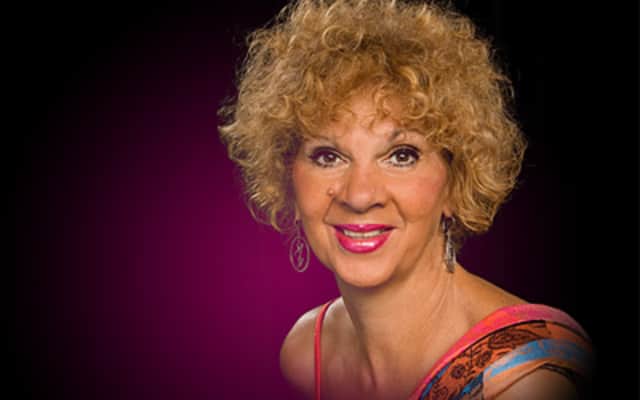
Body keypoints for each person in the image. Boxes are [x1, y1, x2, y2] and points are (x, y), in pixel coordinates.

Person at [218, 0, 594, 398]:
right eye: (328, 156)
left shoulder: (527, 382)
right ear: (288, 179)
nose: (360, 195)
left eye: (402, 156)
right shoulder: (305, 356)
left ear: (456, 181)